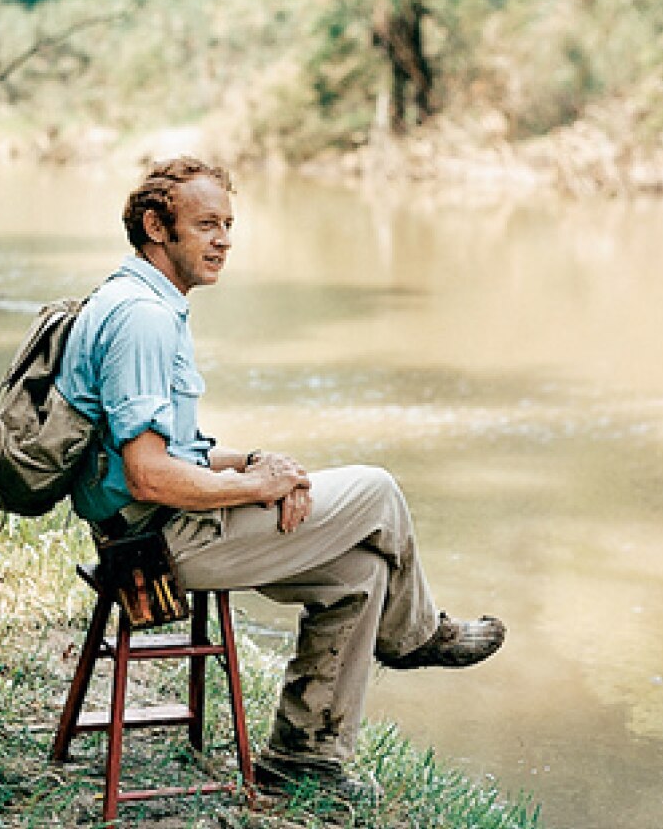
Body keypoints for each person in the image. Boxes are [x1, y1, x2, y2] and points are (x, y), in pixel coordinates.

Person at [55, 156, 505, 795]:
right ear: (157, 226)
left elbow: (164, 453)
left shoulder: (134, 301)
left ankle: (304, 758)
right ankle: (416, 635)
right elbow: (150, 476)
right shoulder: (143, 319)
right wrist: (258, 489)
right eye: (207, 224)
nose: (224, 241)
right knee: (377, 488)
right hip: (154, 548)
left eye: (229, 224)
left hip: (157, 530)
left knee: (361, 574)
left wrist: (253, 464)